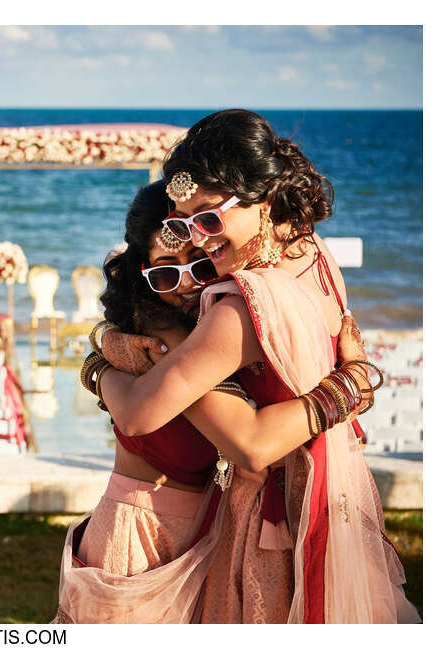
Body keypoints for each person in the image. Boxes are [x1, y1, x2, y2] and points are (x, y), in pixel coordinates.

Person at [96, 109, 418, 623]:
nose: (197, 240)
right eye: (183, 224)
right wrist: (353, 384)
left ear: (261, 198)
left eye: (207, 216)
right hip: (333, 499)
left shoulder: (237, 308)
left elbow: (228, 441)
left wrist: (104, 361)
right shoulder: (313, 255)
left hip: (274, 520)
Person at [54, 179, 375, 624]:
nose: (186, 284)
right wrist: (350, 385)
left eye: (200, 265)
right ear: (144, 272)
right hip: (138, 532)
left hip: (202, 532)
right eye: (166, 271)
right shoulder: (164, 331)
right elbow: (139, 418)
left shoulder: (214, 326)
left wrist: (99, 360)